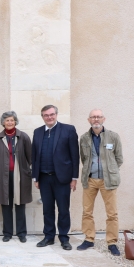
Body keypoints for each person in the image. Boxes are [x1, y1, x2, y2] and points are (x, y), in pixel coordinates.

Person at [31, 104, 79, 250]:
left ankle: (64, 238)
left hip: (62, 178)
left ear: (56, 115)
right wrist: (35, 177)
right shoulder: (38, 132)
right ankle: (49, 236)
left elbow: (75, 155)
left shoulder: (68, 130)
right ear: (42, 117)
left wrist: (74, 178)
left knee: (63, 209)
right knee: (47, 209)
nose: (49, 117)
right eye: (46, 115)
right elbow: (34, 156)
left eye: (52, 114)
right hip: (44, 178)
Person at [77, 109, 124, 256]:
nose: (96, 119)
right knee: (87, 212)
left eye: (98, 117)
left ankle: (112, 242)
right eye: (93, 117)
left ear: (104, 119)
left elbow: (119, 159)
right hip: (90, 179)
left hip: (107, 180)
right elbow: (84, 158)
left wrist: (110, 171)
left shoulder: (113, 137)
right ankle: (89, 239)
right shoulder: (84, 138)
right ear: (89, 120)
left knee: (112, 213)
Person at [0, 111, 32, 243]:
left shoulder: (23, 137)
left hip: (19, 175)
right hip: (3, 175)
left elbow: (29, 157)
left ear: (15, 121)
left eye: (12, 120)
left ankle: (21, 233)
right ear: (3, 122)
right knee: (6, 204)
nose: (10, 122)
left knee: (20, 203)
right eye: (7, 120)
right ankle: (7, 233)